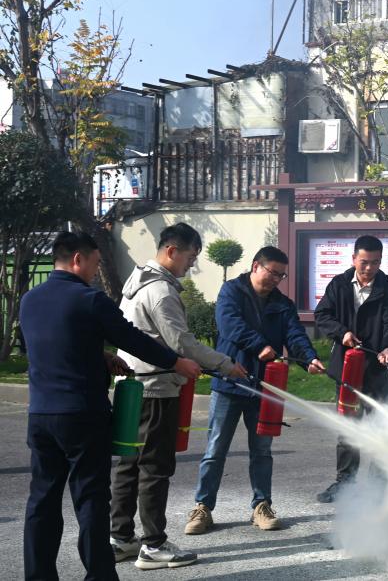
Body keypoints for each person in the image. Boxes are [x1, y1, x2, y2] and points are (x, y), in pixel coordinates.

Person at [19, 231, 202, 581]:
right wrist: (176, 362)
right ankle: (99, 575)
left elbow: (50, 344)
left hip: (40, 415)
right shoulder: (91, 299)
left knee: (42, 500)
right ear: (78, 259)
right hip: (82, 415)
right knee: (90, 499)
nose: (95, 272)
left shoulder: (30, 299)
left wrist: (99, 355)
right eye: (95, 263)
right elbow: (132, 338)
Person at [109, 223, 248, 570]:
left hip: (130, 386)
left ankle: (120, 538)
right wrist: (225, 363)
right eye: (191, 256)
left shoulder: (136, 282)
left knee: (128, 464)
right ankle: (153, 545)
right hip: (155, 390)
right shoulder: (161, 291)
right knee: (155, 467)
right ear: (171, 251)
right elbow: (181, 342)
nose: (192, 263)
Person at [185, 246, 324, 535]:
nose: (276, 279)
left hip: (265, 387)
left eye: (281, 275)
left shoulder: (283, 304)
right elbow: (229, 325)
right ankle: (203, 507)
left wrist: (309, 358)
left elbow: (295, 334)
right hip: (229, 383)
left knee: (262, 450)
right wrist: (260, 345)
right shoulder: (231, 291)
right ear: (255, 266)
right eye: (272, 272)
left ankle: (262, 505)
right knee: (215, 449)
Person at [313, 235, 388, 503]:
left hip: (379, 371)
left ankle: (378, 485)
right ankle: (345, 483)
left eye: (375, 262)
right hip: (348, 370)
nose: (369, 268)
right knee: (348, 429)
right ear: (354, 259)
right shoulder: (339, 285)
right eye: (364, 262)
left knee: (381, 429)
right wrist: (342, 333)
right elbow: (322, 315)